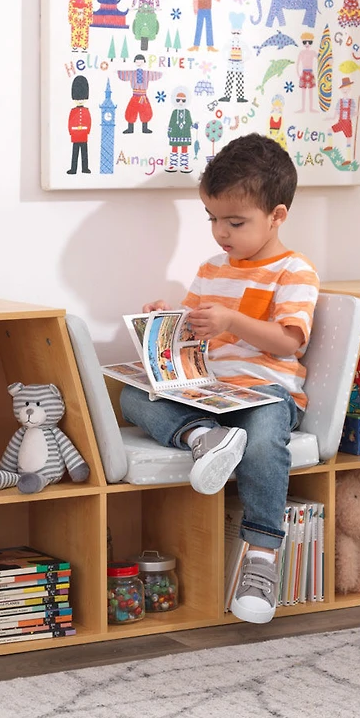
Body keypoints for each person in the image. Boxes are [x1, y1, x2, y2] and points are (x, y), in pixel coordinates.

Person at [120, 133, 319, 624]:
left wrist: (231, 321)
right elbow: (194, 330)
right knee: (133, 397)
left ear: (277, 216)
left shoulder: (294, 271)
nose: (220, 233)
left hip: (267, 392)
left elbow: (289, 342)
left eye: (235, 222)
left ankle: (261, 557)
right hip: (211, 392)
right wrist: (165, 321)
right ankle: (205, 437)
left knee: (264, 437)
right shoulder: (211, 268)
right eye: (212, 219)